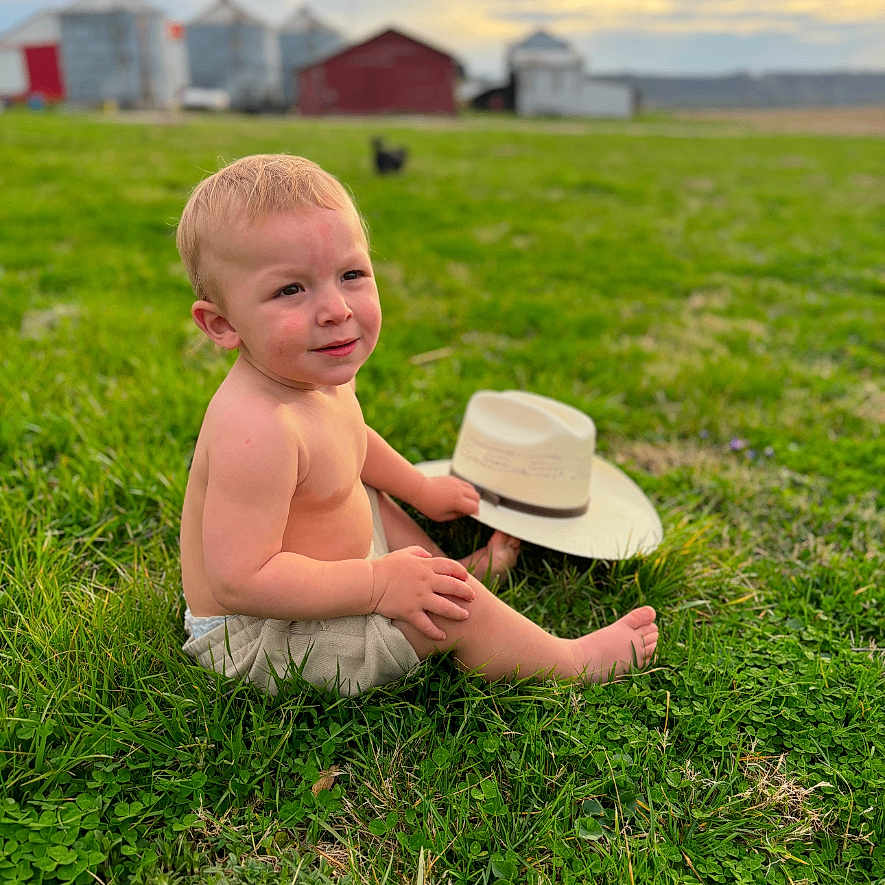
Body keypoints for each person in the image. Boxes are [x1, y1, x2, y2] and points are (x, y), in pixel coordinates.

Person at [175, 154, 659, 696]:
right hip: (262, 636)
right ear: (221, 324)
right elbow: (240, 580)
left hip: (319, 581)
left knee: (369, 496)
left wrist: (421, 490)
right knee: (451, 612)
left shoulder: (312, 377)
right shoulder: (257, 429)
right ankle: (569, 661)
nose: (335, 309)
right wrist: (377, 583)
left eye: (351, 275)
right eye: (291, 290)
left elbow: (352, 442)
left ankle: (445, 568)